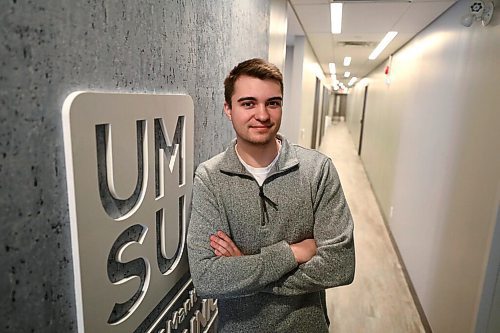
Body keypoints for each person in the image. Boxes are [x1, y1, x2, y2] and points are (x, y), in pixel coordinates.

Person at [187, 58, 355, 333]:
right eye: (248, 103)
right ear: (228, 109)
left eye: (272, 103)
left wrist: (244, 267)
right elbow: (207, 279)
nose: (263, 115)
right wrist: (292, 253)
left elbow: (340, 265)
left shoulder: (318, 171)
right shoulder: (210, 177)